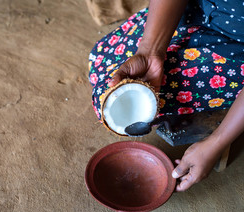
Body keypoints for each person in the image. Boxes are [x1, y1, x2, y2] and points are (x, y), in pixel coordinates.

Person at [88, 0, 244, 191]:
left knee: (160, 97)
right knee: (102, 60)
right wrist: (150, 51)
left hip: (236, 47)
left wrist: (216, 142)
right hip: (198, 9)